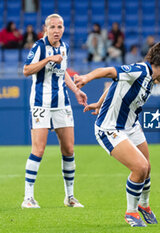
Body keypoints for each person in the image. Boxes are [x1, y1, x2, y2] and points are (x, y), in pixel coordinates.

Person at [73, 41, 160, 227]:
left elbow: (117, 83)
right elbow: (110, 72)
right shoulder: (139, 70)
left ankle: (144, 206)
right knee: (139, 168)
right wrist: (87, 77)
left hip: (131, 126)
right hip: (110, 128)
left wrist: (98, 103)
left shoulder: (152, 77)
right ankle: (131, 212)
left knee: (147, 168)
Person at [21, 14, 87, 209]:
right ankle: (28, 198)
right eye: (53, 27)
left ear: (63, 28)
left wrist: (76, 91)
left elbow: (63, 71)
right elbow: (26, 70)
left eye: (60, 27)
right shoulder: (39, 47)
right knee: (38, 150)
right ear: (46, 29)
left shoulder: (64, 47)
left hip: (62, 104)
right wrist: (48, 58)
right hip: (41, 104)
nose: (56, 30)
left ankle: (70, 197)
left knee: (68, 149)